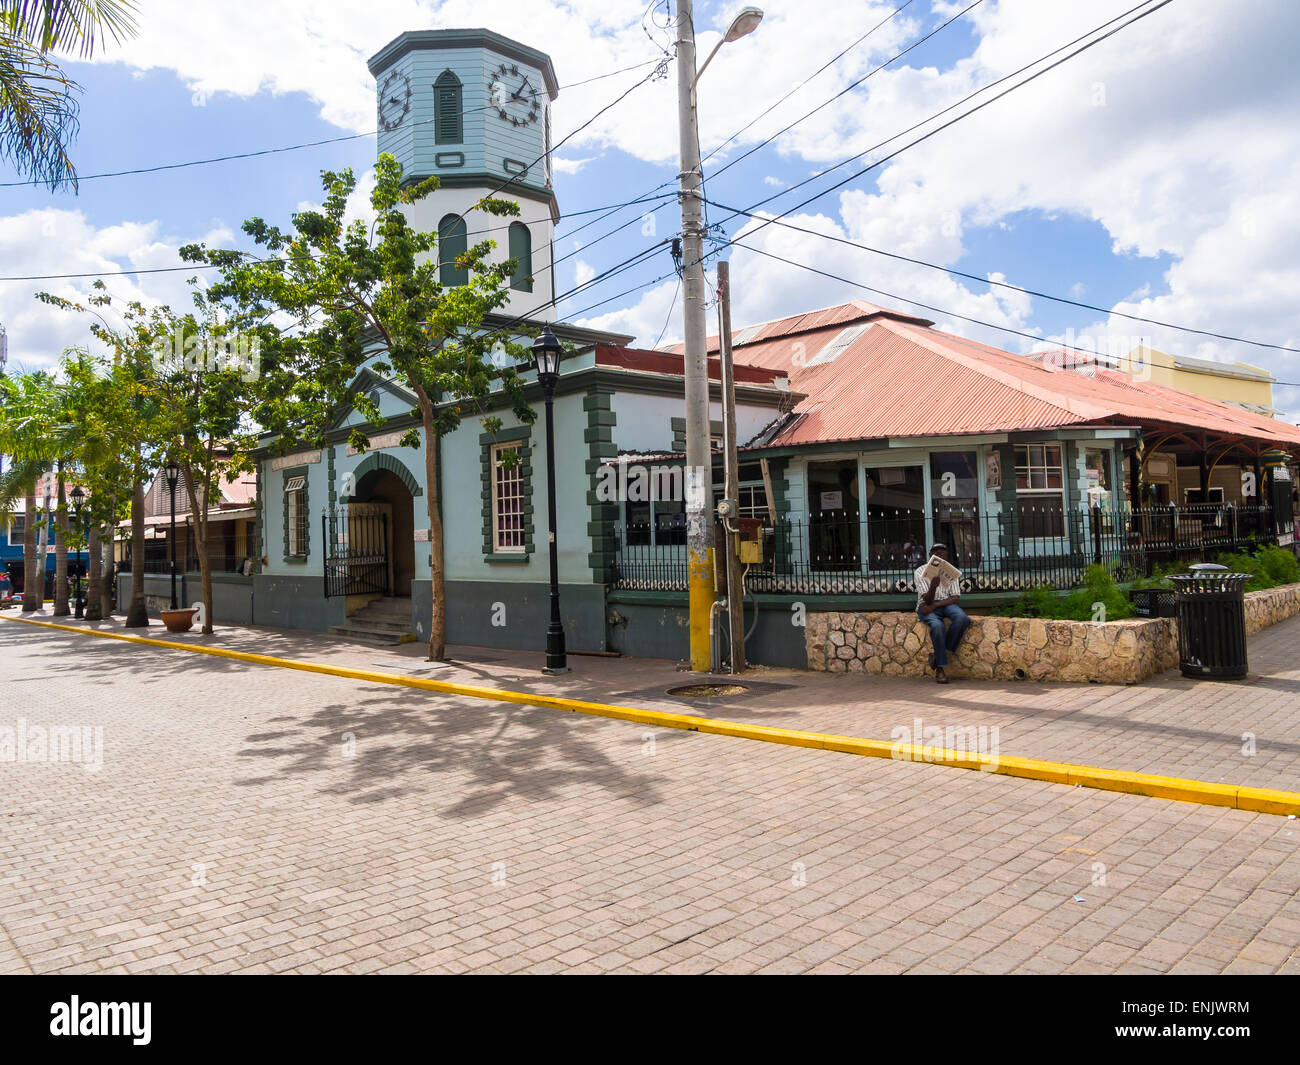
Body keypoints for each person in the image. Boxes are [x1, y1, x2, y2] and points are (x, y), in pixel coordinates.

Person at [915, 543, 970, 684]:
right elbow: (926, 600)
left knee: (962, 619)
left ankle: (940, 655)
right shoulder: (920, 572)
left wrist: (936, 605)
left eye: (943, 554)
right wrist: (933, 586)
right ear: (930, 556)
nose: (940, 556)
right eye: (937, 553)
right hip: (926, 605)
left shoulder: (951, 572)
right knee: (937, 626)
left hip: (944, 604)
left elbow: (956, 597)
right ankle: (940, 668)